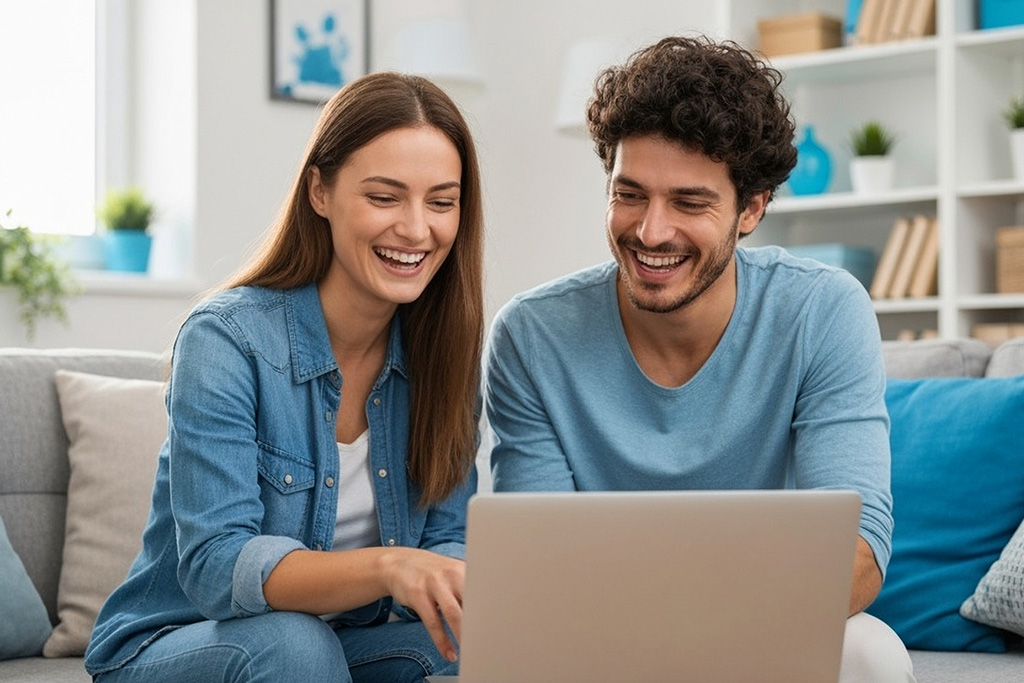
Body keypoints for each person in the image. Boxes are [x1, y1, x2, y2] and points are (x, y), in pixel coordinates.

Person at [484, 36, 915, 682]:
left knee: (872, 653)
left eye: (689, 203)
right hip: (598, 648)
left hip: (767, 631)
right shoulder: (530, 335)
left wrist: (707, 640)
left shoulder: (822, 311)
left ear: (752, 209)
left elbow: (858, 554)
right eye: (629, 194)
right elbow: (541, 573)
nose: (651, 231)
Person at [85, 72, 484, 683]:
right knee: (294, 646)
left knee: (469, 652)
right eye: (384, 197)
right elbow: (217, 568)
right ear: (319, 191)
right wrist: (390, 567)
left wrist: (454, 588)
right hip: (178, 641)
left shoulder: (445, 353)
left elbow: (450, 540)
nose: (415, 228)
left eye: (441, 201)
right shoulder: (227, 340)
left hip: (340, 644)